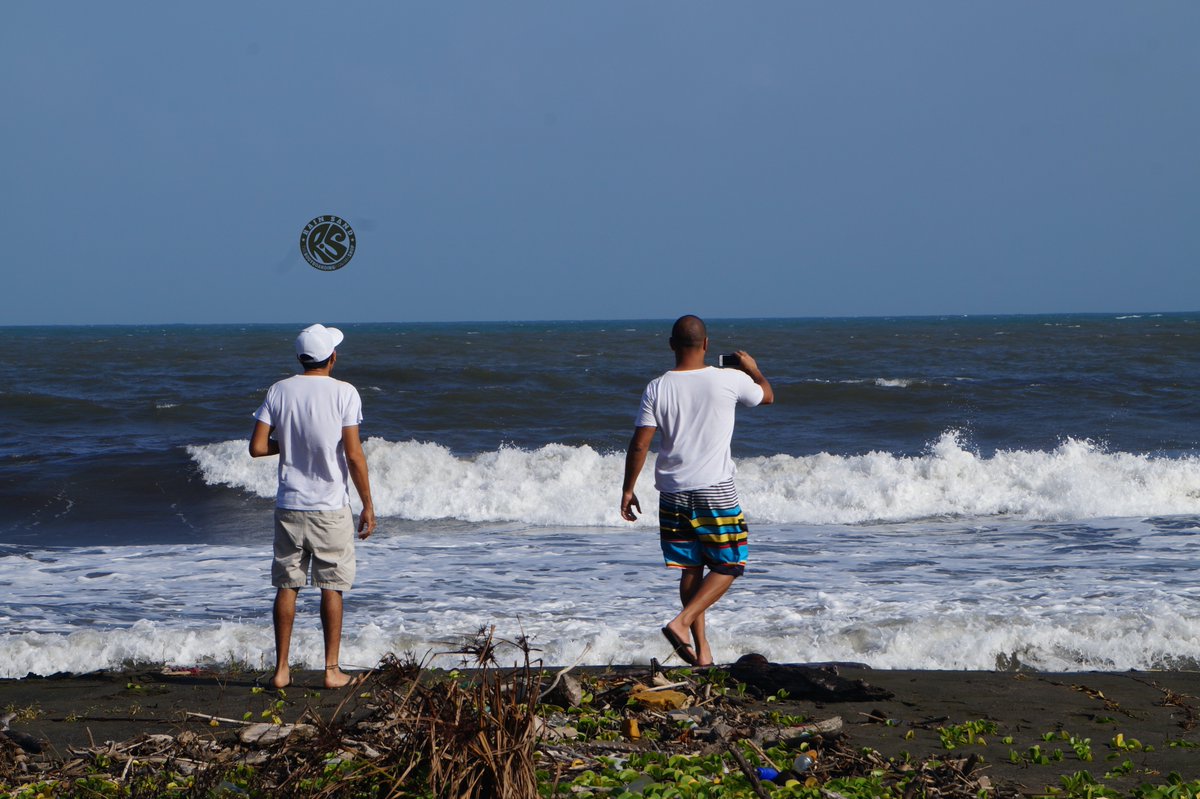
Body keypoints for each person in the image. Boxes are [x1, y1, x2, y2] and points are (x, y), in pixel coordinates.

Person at [620, 315, 773, 667]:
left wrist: (628, 489)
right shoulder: (730, 378)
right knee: (731, 562)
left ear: (671, 344)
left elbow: (640, 445)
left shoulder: (657, 387)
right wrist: (754, 369)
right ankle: (682, 622)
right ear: (706, 345)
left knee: (692, 569)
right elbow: (767, 397)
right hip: (715, 490)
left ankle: (702, 653)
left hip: (672, 492)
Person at [250, 323, 376, 689]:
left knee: (287, 586)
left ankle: (281, 670)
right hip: (329, 506)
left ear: (300, 358)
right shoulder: (345, 393)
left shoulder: (279, 390)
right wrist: (367, 504)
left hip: (289, 503)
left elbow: (257, 447)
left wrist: (287, 445)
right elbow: (353, 454)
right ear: (332, 358)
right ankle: (331, 669)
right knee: (330, 586)